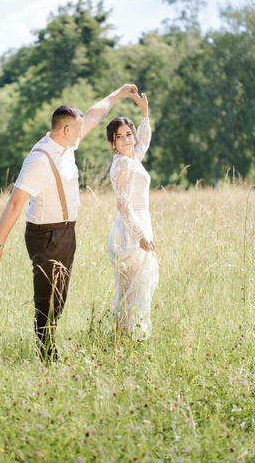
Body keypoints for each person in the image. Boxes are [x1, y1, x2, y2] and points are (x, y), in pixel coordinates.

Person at [0, 84, 138, 361]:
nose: (83, 133)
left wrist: (117, 95)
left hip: (66, 233)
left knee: (59, 298)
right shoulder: (39, 159)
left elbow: (92, 116)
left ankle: (48, 349)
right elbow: (16, 202)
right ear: (66, 130)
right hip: (46, 235)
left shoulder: (66, 143)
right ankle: (46, 358)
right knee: (47, 299)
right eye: (78, 130)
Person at [106, 92, 159, 340]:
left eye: (129, 134)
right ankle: (123, 340)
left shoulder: (131, 159)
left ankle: (127, 339)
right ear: (113, 143)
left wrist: (144, 112)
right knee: (132, 290)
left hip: (137, 225)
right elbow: (123, 205)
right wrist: (141, 236)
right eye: (120, 137)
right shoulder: (124, 164)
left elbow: (144, 142)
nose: (126, 139)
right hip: (130, 232)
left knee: (134, 290)